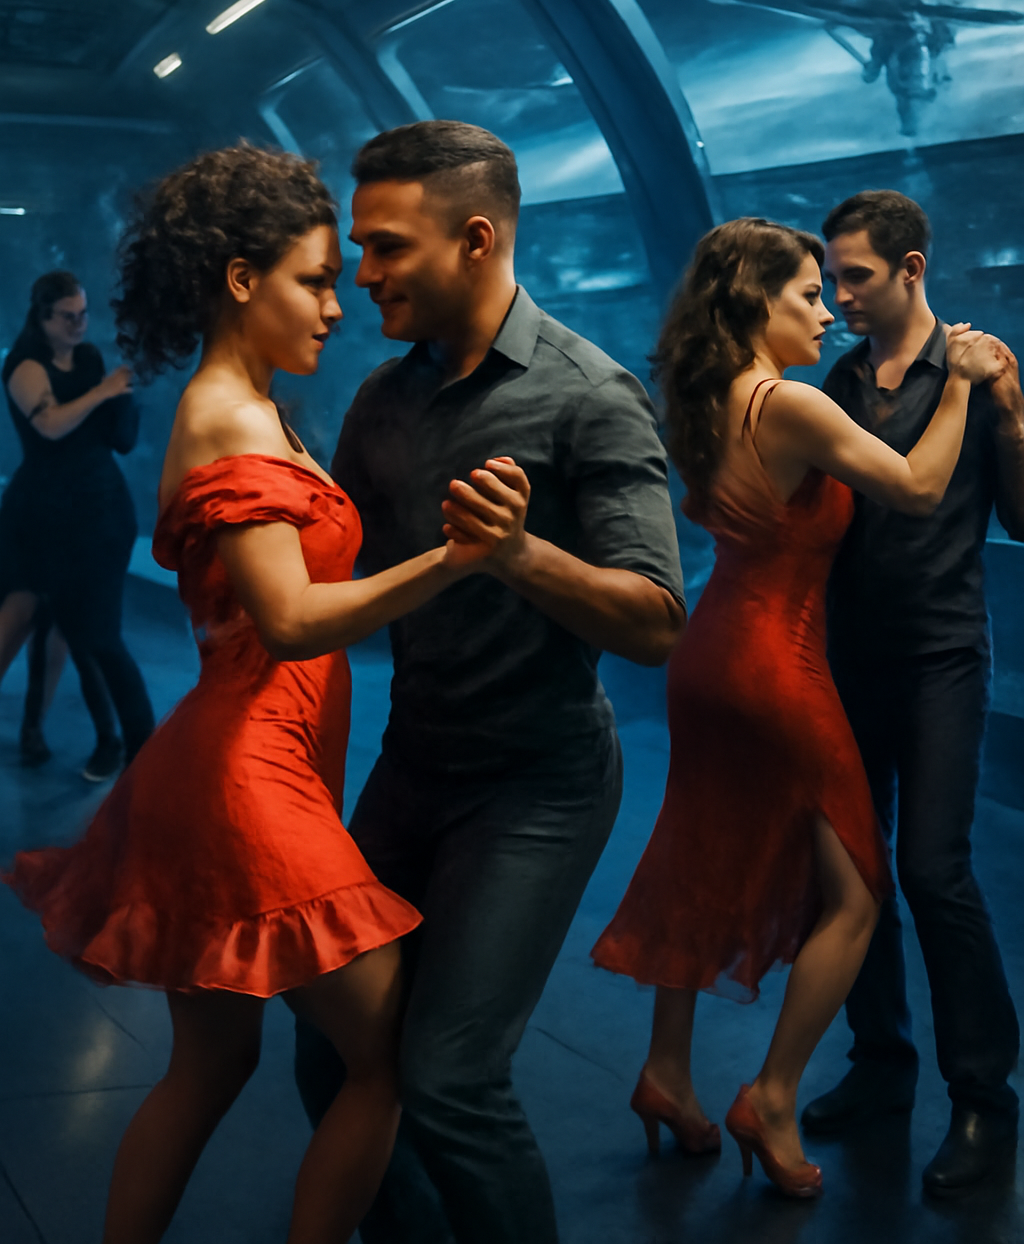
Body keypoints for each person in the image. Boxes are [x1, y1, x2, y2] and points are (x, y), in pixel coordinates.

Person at [4, 143, 529, 1244]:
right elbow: (289, 622)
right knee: (387, 1058)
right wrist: (456, 559)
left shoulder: (248, 404)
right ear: (242, 280)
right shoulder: (232, 418)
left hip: (231, 764)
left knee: (211, 1064)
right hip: (250, 778)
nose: (338, 305)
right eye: (315, 278)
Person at [293, 119, 686, 1244]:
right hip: (413, 769)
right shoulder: (382, 399)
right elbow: (343, 576)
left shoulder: (589, 397)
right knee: (330, 1056)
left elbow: (658, 622)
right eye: (354, 250)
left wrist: (519, 552)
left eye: (385, 247)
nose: (361, 275)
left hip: (537, 786)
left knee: (452, 1078)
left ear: (474, 239)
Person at [592, 217, 1000, 1200]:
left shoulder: (704, 397)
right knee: (858, 894)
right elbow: (914, 485)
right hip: (777, 662)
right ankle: (771, 1094)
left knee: (701, 857)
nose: (827, 311)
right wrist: (964, 380)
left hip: (710, 655)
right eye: (807, 296)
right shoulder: (786, 402)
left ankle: (664, 1073)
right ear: (754, 306)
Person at [801, 190, 1024, 1193]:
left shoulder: (977, 370)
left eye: (856, 276)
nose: (839, 294)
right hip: (845, 655)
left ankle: (983, 1100)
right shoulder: (839, 377)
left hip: (940, 655)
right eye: (831, 276)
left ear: (912, 270)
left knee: (933, 869)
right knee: (853, 874)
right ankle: (880, 1067)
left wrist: (1010, 407)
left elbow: (1022, 517)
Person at [1, 269, 153, 777]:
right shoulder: (24, 365)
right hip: (46, 514)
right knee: (40, 619)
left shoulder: (88, 358)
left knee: (85, 632)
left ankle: (115, 743)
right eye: (69, 316)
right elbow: (49, 425)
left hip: (96, 510)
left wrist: (123, 396)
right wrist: (104, 391)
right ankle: (117, 743)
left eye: (84, 313)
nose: (80, 324)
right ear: (43, 318)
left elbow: (114, 434)